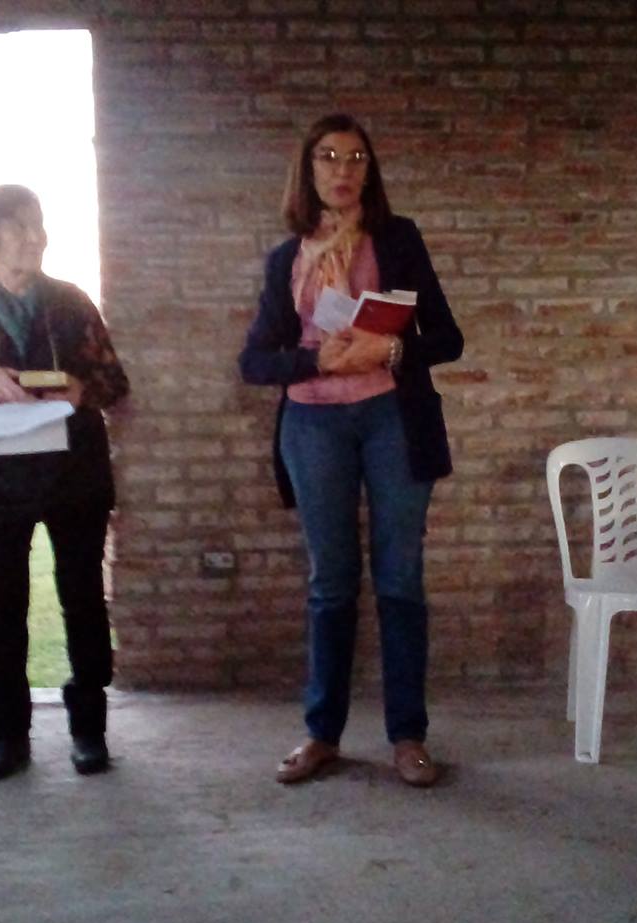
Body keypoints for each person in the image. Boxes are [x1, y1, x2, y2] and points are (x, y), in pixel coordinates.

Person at [239, 114, 464, 787]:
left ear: (370, 170)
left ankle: (408, 736)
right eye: (329, 157)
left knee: (400, 579)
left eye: (356, 157)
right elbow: (255, 361)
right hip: (313, 425)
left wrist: (389, 348)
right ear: (308, 170)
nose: (343, 170)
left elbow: (447, 338)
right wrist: (317, 360)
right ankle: (322, 734)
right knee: (330, 583)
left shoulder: (398, 239)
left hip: (393, 417)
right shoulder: (286, 259)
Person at [0, 185, 129, 782]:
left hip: (75, 477)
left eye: (38, 224)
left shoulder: (72, 302)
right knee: (3, 608)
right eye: (18, 226)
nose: (34, 237)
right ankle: (8, 738)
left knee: (84, 602)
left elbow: (115, 383)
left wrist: (81, 390)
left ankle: (89, 731)